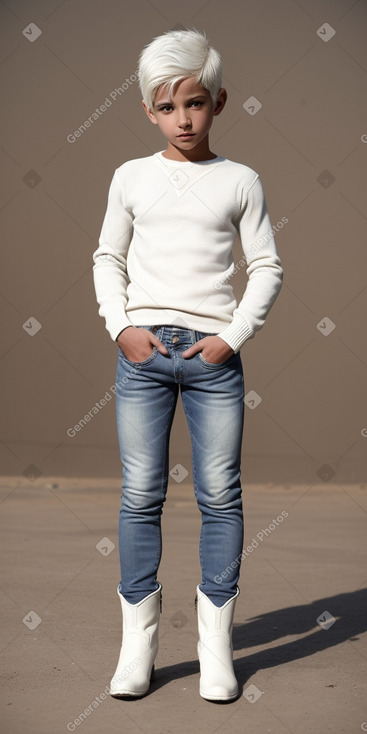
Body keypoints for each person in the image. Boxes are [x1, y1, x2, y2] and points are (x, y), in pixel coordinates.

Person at [92, 27, 283, 702]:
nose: (182, 118)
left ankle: (214, 651)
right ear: (148, 110)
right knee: (141, 495)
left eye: (195, 104)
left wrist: (231, 337)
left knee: (219, 497)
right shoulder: (131, 178)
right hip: (143, 357)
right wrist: (122, 328)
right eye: (168, 107)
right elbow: (106, 258)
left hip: (212, 360)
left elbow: (264, 264)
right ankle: (137, 646)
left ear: (219, 102)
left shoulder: (239, 181)